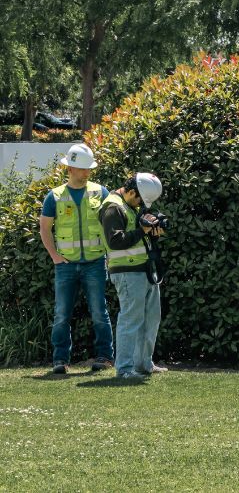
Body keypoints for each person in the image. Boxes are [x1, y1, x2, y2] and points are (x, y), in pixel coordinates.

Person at [38, 142, 114, 374]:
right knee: (61, 314)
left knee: (99, 312)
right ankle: (60, 360)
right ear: (70, 168)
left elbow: (112, 226)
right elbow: (44, 229)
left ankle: (105, 357)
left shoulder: (100, 192)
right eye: (83, 168)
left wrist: (110, 257)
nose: (87, 172)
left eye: (89, 168)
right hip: (66, 266)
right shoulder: (55, 196)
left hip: (95, 263)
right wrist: (55, 257)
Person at [99, 172, 167, 380]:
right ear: (130, 191)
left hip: (144, 269)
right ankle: (125, 369)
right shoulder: (113, 207)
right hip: (127, 272)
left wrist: (153, 230)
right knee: (130, 321)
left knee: (151, 319)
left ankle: (144, 364)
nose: (140, 205)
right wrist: (142, 230)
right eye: (139, 199)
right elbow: (115, 241)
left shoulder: (129, 205)